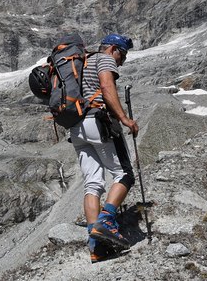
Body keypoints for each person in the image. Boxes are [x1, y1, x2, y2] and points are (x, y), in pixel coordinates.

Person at [69, 33, 139, 263]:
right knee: (124, 174)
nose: (121, 61)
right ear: (113, 49)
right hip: (99, 123)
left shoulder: (79, 63)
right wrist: (125, 118)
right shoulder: (104, 59)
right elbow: (107, 87)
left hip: (76, 128)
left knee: (93, 183)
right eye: (123, 55)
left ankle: (96, 245)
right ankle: (107, 220)